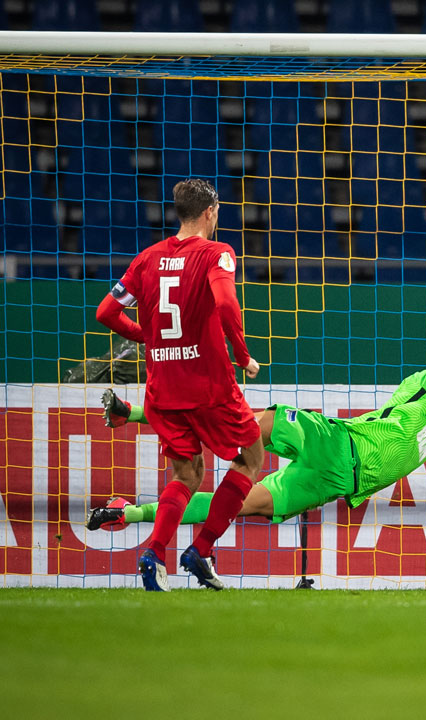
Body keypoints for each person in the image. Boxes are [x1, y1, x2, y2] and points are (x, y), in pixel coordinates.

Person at [89, 354, 426, 558]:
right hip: (333, 441)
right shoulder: (422, 389)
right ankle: (134, 413)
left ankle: (130, 513)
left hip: (332, 484)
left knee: (241, 503)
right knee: (249, 426)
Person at [94, 178, 263, 591]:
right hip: (208, 385)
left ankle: (154, 554)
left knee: (186, 474)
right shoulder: (217, 253)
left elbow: (106, 312)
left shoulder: (146, 259)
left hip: (163, 387)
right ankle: (201, 549)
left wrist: (146, 336)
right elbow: (225, 303)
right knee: (252, 456)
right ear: (210, 212)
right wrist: (242, 356)